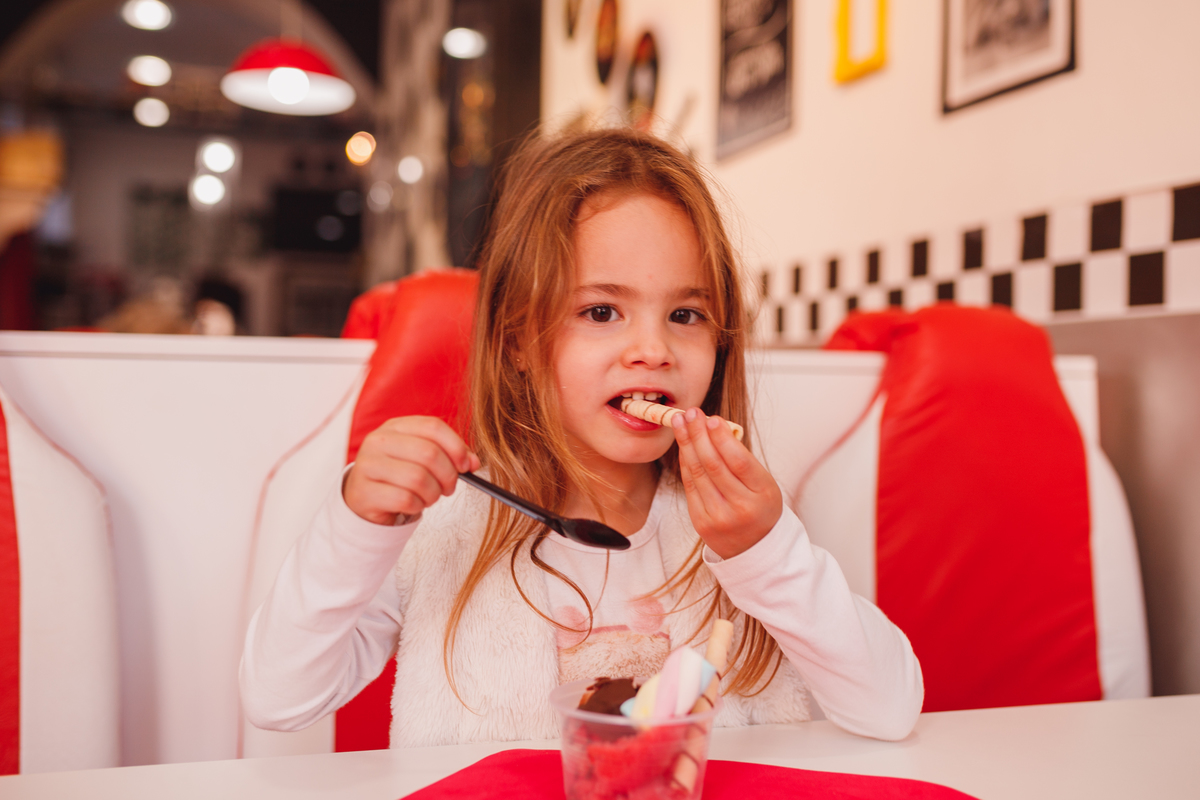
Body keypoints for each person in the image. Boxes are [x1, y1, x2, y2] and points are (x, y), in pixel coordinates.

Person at [240, 127, 923, 748]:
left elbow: (890, 709)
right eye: (602, 311)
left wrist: (769, 554)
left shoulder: (739, 534)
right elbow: (279, 697)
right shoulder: (444, 528)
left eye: (686, 313)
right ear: (517, 342)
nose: (652, 348)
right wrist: (359, 524)